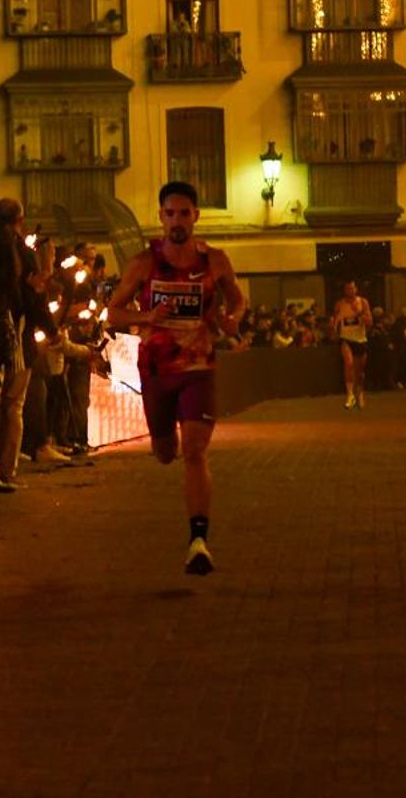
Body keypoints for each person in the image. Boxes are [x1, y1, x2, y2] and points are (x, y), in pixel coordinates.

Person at [105, 181, 245, 575]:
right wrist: (145, 317)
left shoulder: (215, 260)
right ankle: (165, 442)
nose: (177, 221)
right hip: (155, 371)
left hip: (198, 368)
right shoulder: (143, 263)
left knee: (195, 450)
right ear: (161, 217)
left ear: (196, 216)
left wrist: (233, 318)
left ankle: (198, 539)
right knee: (165, 452)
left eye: (185, 213)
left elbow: (237, 298)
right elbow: (112, 313)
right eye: (170, 214)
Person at [331, 282, 372, 409]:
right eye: (347, 288)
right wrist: (334, 328)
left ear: (356, 289)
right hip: (346, 339)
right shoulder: (340, 304)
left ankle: (359, 392)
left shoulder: (363, 302)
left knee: (359, 371)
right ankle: (350, 395)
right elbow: (336, 319)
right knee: (348, 364)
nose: (350, 290)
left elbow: (369, 322)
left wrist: (358, 313)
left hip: (360, 339)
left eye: (352, 288)